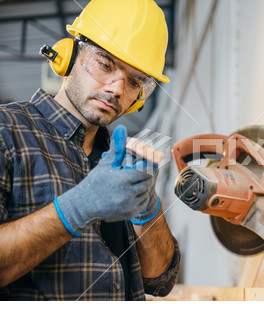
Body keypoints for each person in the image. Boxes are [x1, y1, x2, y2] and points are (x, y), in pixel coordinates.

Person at [0, 0, 180, 300]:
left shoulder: (118, 159)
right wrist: (77, 208)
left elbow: (160, 281)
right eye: (105, 64)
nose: (116, 89)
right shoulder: (7, 131)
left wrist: (148, 210)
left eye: (135, 82)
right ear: (69, 56)